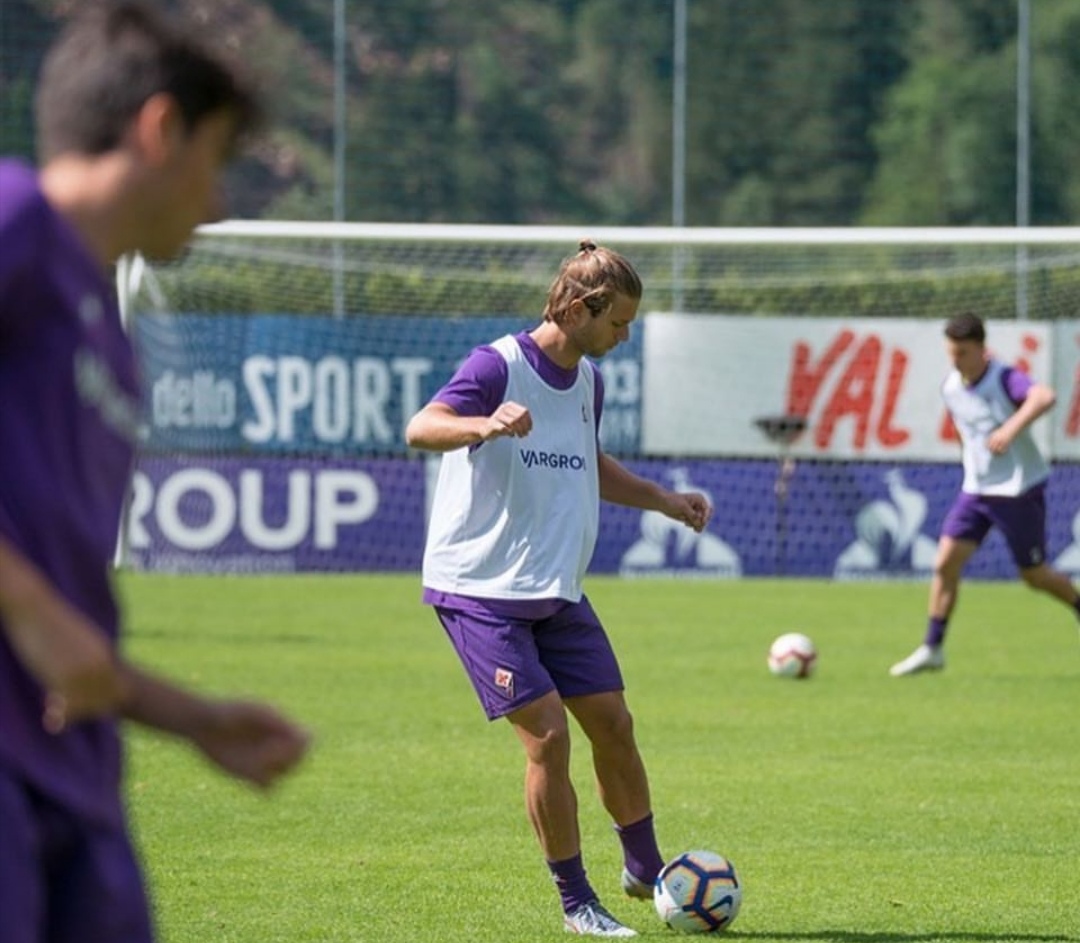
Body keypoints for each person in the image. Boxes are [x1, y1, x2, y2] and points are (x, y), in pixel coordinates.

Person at [0, 5, 311, 942]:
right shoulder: (14, 215)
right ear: (160, 128)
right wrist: (29, 609)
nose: (216, 203)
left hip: (77, 776)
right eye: (216, 161)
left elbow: (75, 635)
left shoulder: (112, 340)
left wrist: (196, 719)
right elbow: (45, 618)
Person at [405, 241, 713, 938]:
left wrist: (662, 499)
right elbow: (422, 426)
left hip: (557, 590)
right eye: (618, 323)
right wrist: (482, 423)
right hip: (482, 591)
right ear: (578, 308)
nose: (624, 338)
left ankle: (648, 870)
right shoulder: (496, 366)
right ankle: (578, 901)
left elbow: (586, 460)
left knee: (614, 724)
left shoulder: (587, 383)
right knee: (547, 736)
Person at [890, 311, 1080, 677]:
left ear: (981, 350)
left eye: (962, 352)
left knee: (1035, 576)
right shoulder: (951, 386)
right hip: (976, 491)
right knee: (944, 564)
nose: (955, 360)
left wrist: (1009, 430)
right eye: (951, 352)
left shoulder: (1004, 377)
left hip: (1018, 489)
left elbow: (1045, 396)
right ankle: (933, 648)